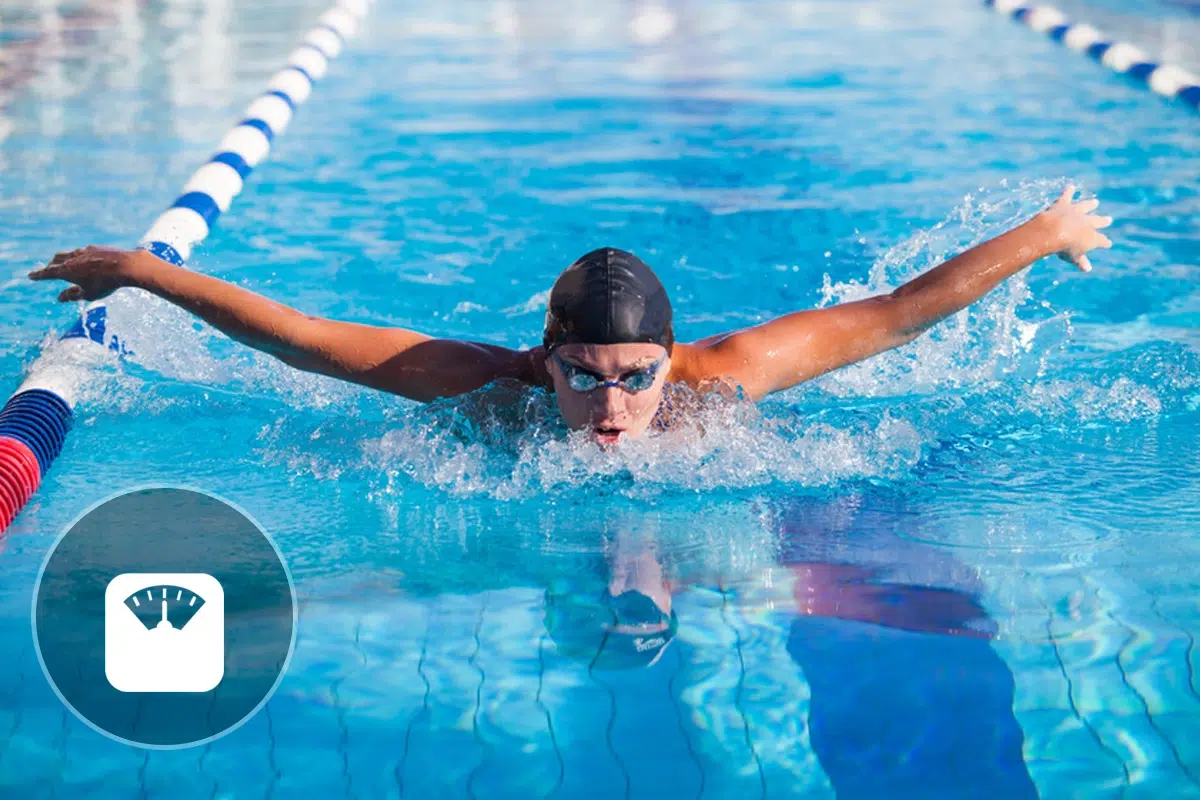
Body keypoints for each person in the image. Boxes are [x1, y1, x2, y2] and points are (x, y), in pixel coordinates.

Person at [29, 186, 1112, 444]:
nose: (610, 402)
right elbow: (304, 340)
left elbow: (897, 314)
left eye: (635, 375)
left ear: (670, 359)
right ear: (543, 359)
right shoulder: (481, 386)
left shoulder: (716, 380)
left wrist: (1046, 231)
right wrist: (145, 270)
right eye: (585, 373)